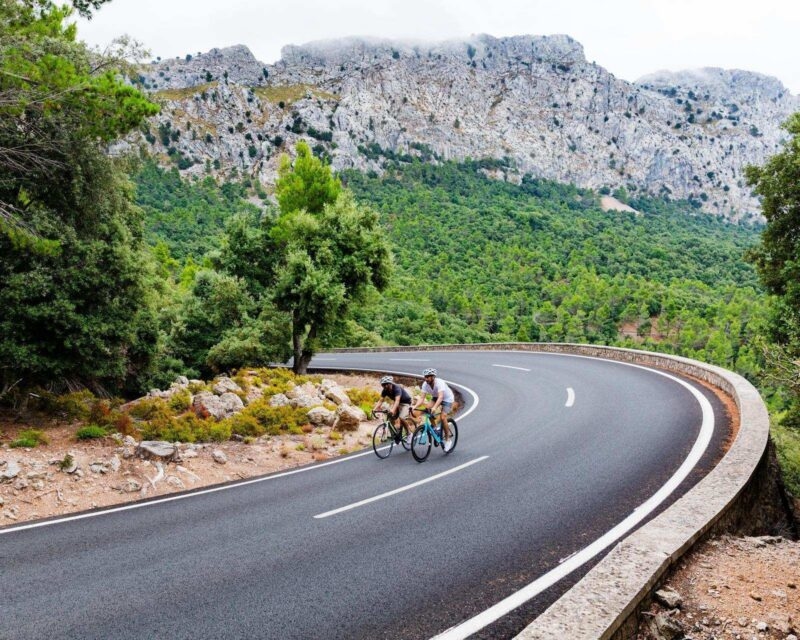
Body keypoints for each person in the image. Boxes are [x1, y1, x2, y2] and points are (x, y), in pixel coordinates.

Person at [412, 368, 455, 451]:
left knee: (443, 417)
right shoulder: (425, 384)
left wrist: (435, 407)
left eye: (428, 377)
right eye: (425, 377)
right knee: (427, 410)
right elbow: (422, 398)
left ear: (433, 377)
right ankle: (435, 428)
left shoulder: (439, 383)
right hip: (435, 397)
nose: (426, 379)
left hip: (447, 399)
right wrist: (415, 406)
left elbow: (441, 397)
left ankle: (448, 439)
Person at [372, 375, 415, 443]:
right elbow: (380, 400)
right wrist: (374, 409)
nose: (385, 386)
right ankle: (395, 435)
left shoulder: (396, 388)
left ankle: (409, 433)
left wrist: (393, 410)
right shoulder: (385, 390)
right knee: (390, 417)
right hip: (396, 403)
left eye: (386, 384)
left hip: (405, 403)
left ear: (390, 383)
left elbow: (397, 401)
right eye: (383, 385)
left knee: (401, 417)